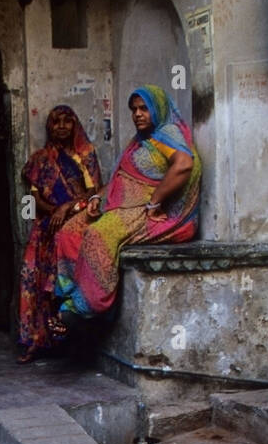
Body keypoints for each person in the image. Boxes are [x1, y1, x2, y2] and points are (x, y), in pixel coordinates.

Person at [53, 84, 201, 321]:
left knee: (98, 235)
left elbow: (183, 165)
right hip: (119, 204)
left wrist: (154, 204)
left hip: (145, 210)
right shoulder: (142, 139)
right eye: (134, 109)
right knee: (68, 232)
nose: (138, 114)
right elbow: (120, 176)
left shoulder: (167, 133)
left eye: (144, 108)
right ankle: (75, 291)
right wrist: (97, 197)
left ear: (158, 108)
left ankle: (90, 305)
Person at [17, 105, 103, 363]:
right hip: (45, 227)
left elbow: (93, 192)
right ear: (50, 126)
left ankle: (72, 347)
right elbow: (34, 196)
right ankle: (35, 341)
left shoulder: (85, 155)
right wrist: (53, 211)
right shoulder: (40, 159)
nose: (62, 126)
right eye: (57, 122)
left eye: (68, 121)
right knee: (34, 281)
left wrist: (66, 209)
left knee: (65, 286)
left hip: (74, 226)